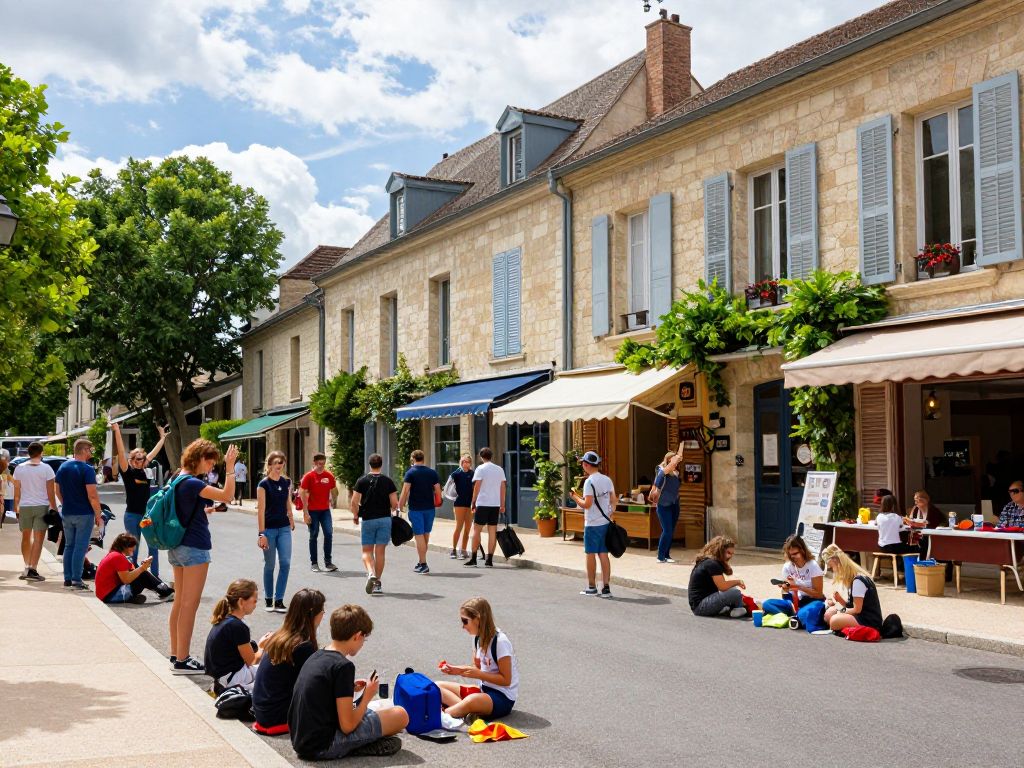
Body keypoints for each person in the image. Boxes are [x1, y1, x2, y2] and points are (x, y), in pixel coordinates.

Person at [288, 604, 409, 761]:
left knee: (377, 714)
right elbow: (347, 726)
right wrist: (367, 695)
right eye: (364, 639)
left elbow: (321, 692)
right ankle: (357, 746)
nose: (362, 643)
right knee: (401, 715)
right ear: (357, 635)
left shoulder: (317, 655)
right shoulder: (343, 666)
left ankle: (362, 742)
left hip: (301, 741)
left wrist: (349, 687)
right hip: (324, 745)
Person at [168, 439, 237, 675]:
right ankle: (183, 659)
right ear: (200, 459)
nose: (211, 469)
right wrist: (230, 467)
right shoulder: (191, 483)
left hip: (177, 546)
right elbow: (227, 495)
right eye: (210, 463)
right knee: (190, 604)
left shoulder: (176, 478)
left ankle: (176, 652)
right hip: (194, 547)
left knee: (180, 602)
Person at [252, 588, 326, 733]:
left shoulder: (280, 636)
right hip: (278, 717)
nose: (323, 614)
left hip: (263, 712)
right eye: (322, 610)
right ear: (313, 614)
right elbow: (313, 686)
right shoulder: (303, 646)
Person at [438, 597, 519, 722]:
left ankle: (440, 717)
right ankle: (464, 711)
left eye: (465, 621)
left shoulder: (501, 642)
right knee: (437, 686)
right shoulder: (477, 638)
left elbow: (506, 680)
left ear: (478, 619)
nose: (463, 626)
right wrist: (457, 670)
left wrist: (479, 674)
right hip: (483, 691)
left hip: (502, 697)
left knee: (472, 700)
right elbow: (478, 668)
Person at [112, 421, 169, 580]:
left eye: (142, 459)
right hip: (132, 516)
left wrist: (162, 438)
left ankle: (155, 578)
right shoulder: (127, 471)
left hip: (146, 516)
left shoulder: (144, 470)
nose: (140, 461)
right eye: (137, 459)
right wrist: (117, 431)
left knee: (153, 546)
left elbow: (154, 452)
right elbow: (121, 451)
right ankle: (133, 578)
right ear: (131, 460)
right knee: (132, 549)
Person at [205, 579, 272, 694]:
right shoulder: (238, 626)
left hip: (221, 676)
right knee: (272, 664)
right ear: (241, 602)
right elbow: (252, 661)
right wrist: (263, 646)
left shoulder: (225, 619)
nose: (255, 605)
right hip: (230, 678)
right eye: (254, 601)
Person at [54, 439, 103, 591]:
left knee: (69, 545)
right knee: (80, 547)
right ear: (84, 450)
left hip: (67, 512)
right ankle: (76, 579)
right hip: (84, 513)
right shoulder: (87, 469)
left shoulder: (63, 467)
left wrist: (67, 503)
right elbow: (92, 496)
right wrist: (98, 515)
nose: (91, 453)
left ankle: (68, 578)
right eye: (90, 450)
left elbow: (57, 491)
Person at [568, 451, 615, 598]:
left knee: (590, 554)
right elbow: (614, 499)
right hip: (605, 523)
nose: (582, 465)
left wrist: (575, 497)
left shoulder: (589, 481)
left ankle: (591, 586)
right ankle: (606, 588)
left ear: (587, 465)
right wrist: (610, 513)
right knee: (603, 555)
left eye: (583, 463)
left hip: (592, 523)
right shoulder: (607, 479)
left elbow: (587, 504)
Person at [350, 453, 398, 595]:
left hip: (368, 519)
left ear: (369, 464)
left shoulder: (362, 481)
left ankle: (371, 573)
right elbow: (394, 503)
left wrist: (355, 515)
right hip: (384, 519)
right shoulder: (388, 481)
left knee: (366, 552)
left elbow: (354, 502)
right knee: (380, 552)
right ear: (381, 464)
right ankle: (377, 584)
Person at [12, 441, 56, 582]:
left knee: (26, 537)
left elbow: (17, 491)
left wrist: (16, 507)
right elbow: (51, 492)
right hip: (41, 506)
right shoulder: (47, 469)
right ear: (41, 453)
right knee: (38, 539)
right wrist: (54, 508)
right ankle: (33, 568)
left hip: (24, 506)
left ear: (28, 453)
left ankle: (26, 567)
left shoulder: (19, 468)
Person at [258, 451, 294, 613]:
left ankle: (279, 600)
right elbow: (261, 511)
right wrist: (261, 533)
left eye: (282, 463)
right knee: (270, 565)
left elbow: (288, 503)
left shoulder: (286, 482)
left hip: (284, 528)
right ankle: (268, 599)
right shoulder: (263, 485)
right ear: (270, 464)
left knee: (285, 563)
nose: (279, 466)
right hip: (269, 530)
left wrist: (291, 519)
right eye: (277, 462)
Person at [95, 532, 174, 604]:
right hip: (110, 596)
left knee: (141, 574)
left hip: (106, 594)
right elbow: (126, 580)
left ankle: (131, 598)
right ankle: (166, 592)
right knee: (143, 575)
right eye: (131, 549)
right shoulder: (117, 557)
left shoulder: (114, 554)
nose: (132, 552)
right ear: (125, 547)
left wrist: (142, 567)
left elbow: (130, 571)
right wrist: (142, 568)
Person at [821, 543, 884, 632]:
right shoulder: (853, 579)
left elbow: (857, 610)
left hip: (868, 621)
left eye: (832, 567)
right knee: (829, 614)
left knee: (834, 620)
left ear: (837, 563)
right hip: (860, 615)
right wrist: (839, 601)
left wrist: (840, 611)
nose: (833, 570)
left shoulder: (858, 581)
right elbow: (852, 606)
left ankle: (844, 628)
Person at [397, 450, 441, 574]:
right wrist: (438, 502)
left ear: (413, 459)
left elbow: (405, 492)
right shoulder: (432, 473)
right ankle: (421, 560)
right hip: (430, 509)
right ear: (423, 458)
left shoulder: (410, 473)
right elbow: (438, 491)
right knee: (425, 535)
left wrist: (399, 507)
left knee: (419, 536)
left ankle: (423, 563)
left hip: (416, 508)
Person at [761, 535, 824, 616]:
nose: (793, 557)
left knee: (807, 612)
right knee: (767, 604)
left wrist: (798, 586)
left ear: (802, 550)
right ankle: (792, 617)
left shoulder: (813, 565)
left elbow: (818, 594)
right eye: (790, 554)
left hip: (811, 601)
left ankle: (793, 616)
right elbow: (785, 595)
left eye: (795, 553)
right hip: (793, 602)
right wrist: (785, 588)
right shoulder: (787, 566)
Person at [688, 536, 749, 618]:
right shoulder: (712, 564)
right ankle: (739, 608)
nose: (730, 556)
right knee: (735, 592)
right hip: (701, 607)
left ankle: (730, 608)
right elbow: (722, 586)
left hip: (700, 604)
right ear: (720, 551)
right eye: (728, 553)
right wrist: (738, 582)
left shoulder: (708, 561)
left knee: (732, 591)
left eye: (731, 554)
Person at [465, 447, 506, 568]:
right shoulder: (499, 469)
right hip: (495, 504)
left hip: (482, 503)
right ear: (491, 456)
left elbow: (477, 486)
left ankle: (473, 558)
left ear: (481, 457)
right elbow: (503, 487)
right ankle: (489, 560)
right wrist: (502, 504)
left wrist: (473, 501)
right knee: (492, 531)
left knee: (477, 530)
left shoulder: (480, 469)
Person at [300, 452, 338, 573]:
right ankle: (314, 563)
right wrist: (305, 512)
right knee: (314, 535)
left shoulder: (329, 476)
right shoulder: (309, 476)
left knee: (328, 534)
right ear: (314, 463)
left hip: (325, 510)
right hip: (313, 511)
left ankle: (328, 562)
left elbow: (333, 489)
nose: (321, 466)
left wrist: (334, 498)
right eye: (319, 463)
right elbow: (302, 493)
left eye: (323, 463)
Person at [652, 451, 682, 563]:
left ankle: (667, 555)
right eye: (675, 460)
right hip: (663, 504)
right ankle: (660, 556)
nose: (678, 463)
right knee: (667, 530)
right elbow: (658, 480)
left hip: (674, 503)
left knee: (671, 530)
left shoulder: (676, 472)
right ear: (670, 460)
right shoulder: (661, 470)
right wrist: (669, 466)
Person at [448, 454, 474, 559]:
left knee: (467, 528)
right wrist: (451, 496)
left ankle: (463, 550)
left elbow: (476, 488)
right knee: (459, 527)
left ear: (470, 463)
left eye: (467, 461)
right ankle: (453, 550)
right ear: (461, 462)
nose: (465, 463)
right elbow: (448, 486)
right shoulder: (456, 473)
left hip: (470, 504)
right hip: (459, 503)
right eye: (463, 461)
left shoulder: (473, 473)